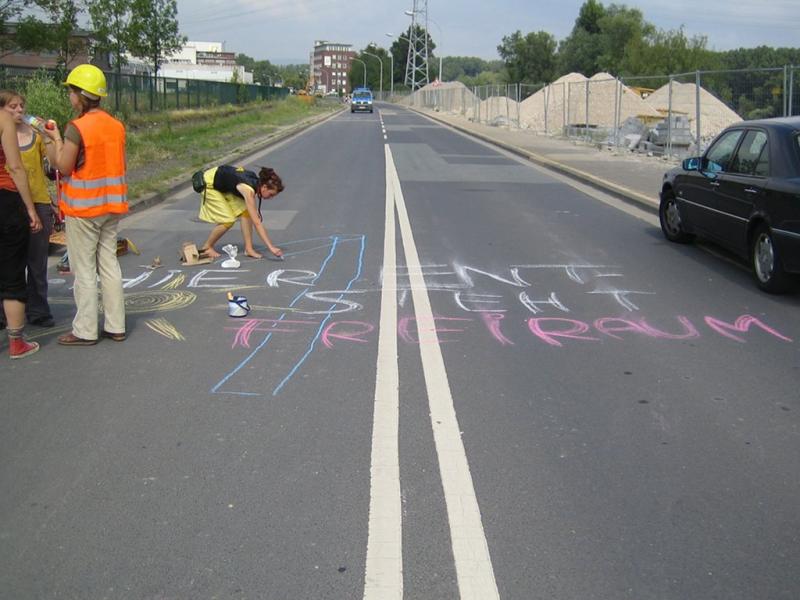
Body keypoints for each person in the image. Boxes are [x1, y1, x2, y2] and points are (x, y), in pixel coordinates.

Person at [42, 64, 127, 346]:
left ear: (81, 94)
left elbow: (63, 167)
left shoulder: (77, 128)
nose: (70, 96)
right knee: (109, 265)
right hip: (111, 206)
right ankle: (116, 326)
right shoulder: (116, 126)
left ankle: (86, 330)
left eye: (71, 91)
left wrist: (53, 140)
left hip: (84, 210)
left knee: (84, 271)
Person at [0, 90, 59, 328]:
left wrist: (48, 137)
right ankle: (7, 314)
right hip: (10, 204)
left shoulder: (33, 134)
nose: (19, 111)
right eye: (13, 106)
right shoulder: (4, 133)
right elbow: (13, 169)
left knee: (37, 262)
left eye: (22, 106)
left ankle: (38, 310)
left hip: (37, 201)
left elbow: (55, 165)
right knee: (10, 263)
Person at [0, 108, 42, 358]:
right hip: (5, 200)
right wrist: (30, 208)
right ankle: (16, 343)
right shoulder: (3, 118)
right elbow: (15, 167)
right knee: (13, 272)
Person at [197, 164, 284, 259]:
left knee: (246, 212)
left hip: (220, 181)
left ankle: (249, 249)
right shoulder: (248, 190)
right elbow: (257, 223)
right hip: (208, 183)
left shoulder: (255, 182)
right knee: (228, 220)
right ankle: (207, 247)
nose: (270, 198)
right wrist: (271, 247)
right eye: (271, 195)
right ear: (264, 187)